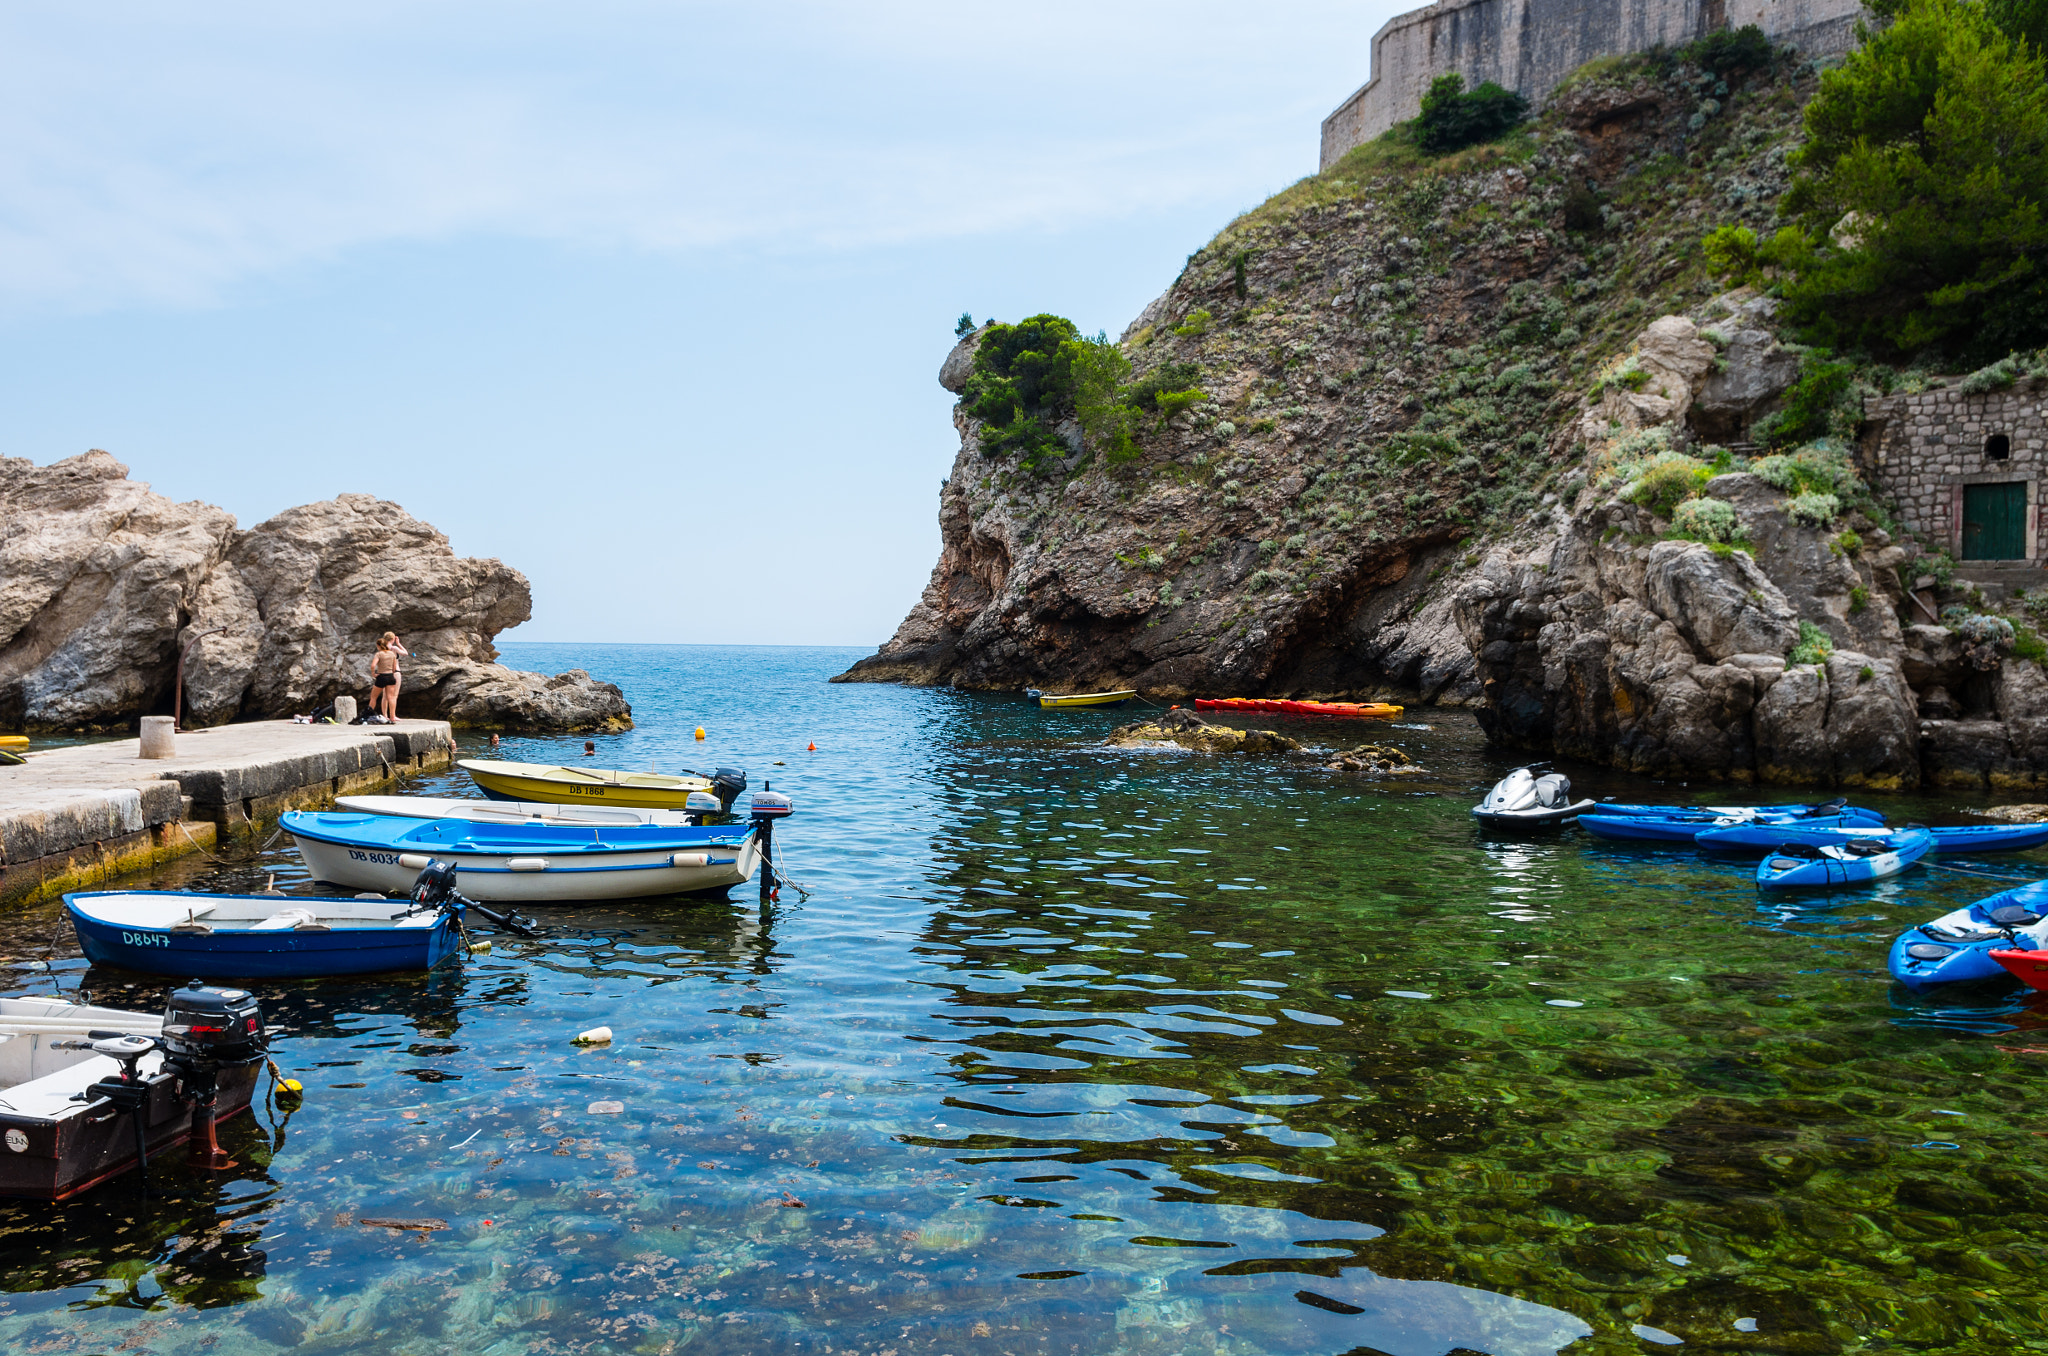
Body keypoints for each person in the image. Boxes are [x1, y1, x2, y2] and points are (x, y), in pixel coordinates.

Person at [370, 632, 409, 720]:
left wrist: (373, 673)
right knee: (393, 696)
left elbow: (373, 665)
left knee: (384, 696)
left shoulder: (382, 650)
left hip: (383, 673)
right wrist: (398, 643)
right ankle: (393, 716)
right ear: (393, 639)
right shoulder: (393, 648)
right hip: (394, 673)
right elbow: (405, 653)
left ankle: (385, 715)